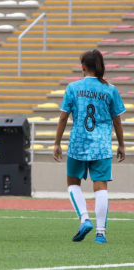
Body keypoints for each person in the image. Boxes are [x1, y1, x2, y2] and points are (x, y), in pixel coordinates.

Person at [53, 49, 125, 243]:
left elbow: (63, 117)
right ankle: (100, 233)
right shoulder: (110, 89)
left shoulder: (73, 87)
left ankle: (84, 218)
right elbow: (117, 121)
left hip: (78, 142)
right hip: (101, 145)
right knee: (100, 187)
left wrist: (57, 143)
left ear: (83, 68)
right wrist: (121, 145)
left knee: (73, 183)